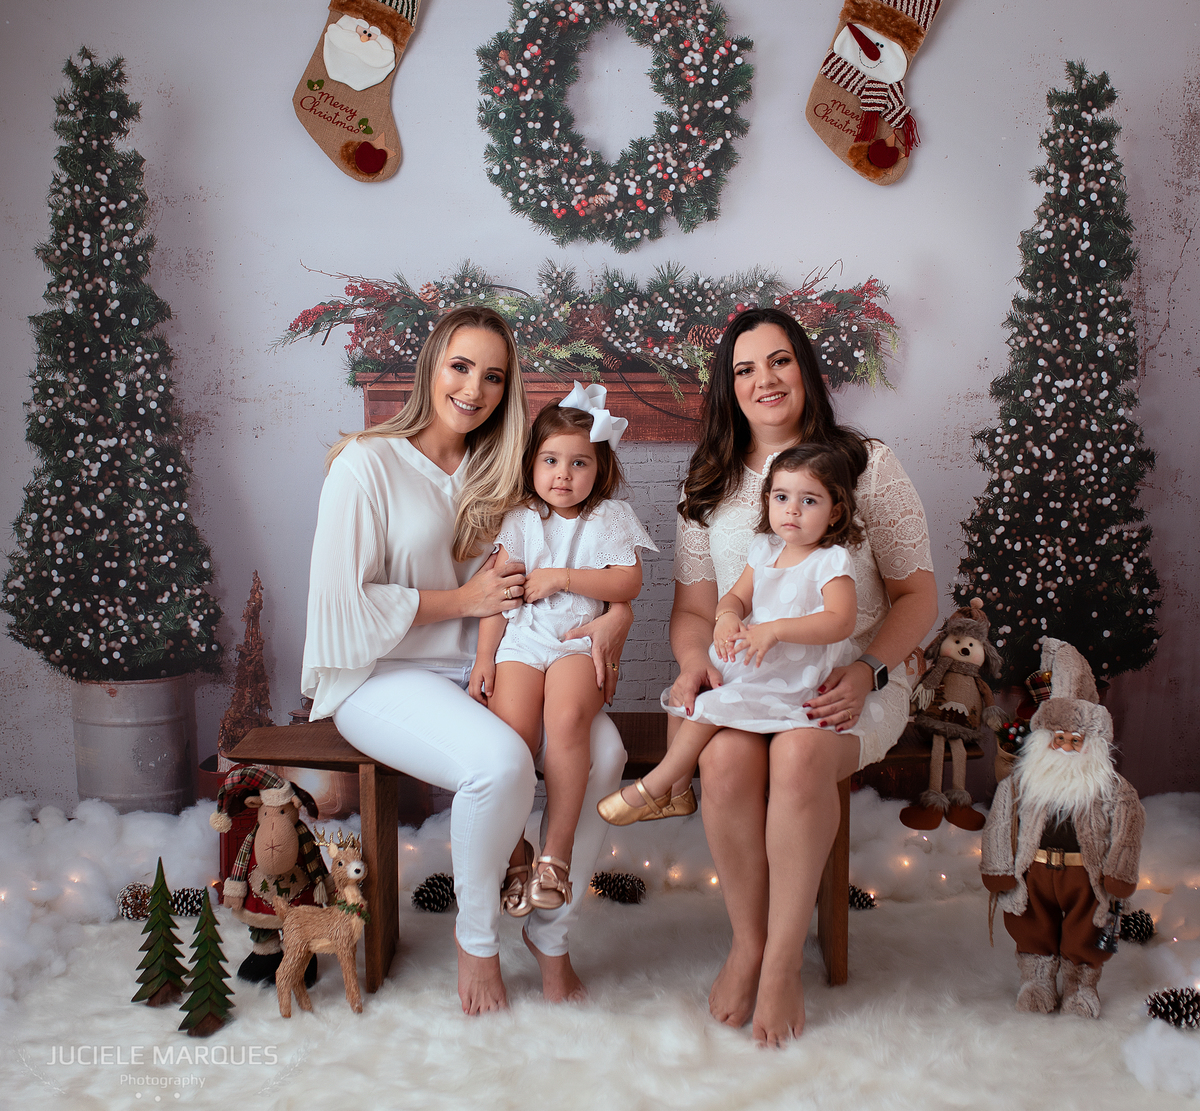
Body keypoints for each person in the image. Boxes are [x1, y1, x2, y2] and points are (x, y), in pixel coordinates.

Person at [300, 307, 631, 1014]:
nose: (474, 389)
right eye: (460, 366)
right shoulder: (366, 465)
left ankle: (551, 932)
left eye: (494, 376)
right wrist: (462, 600)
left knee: (605, 754)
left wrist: (617, 617)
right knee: (500, 763)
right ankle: (477, 943)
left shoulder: (505, 467)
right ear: (431, 367)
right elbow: (338, 606)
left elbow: (568, 562)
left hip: (497, 662)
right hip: (384, 673)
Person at [668, 307, 939, 1045]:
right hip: (749, 683)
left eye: (779, 360)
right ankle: (749, 942)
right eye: (745, 368)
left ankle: (784, 962)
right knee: (723, 761)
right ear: (728, 386)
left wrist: (870, 670)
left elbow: (917, 595)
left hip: (846, 678)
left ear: (805, 369)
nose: (765, 379)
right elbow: (692, 610)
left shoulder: (865, 464)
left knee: (797, 757)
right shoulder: (710, 481)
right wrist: (696, 664)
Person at [597, 442, 860, 823]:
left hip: (793, 674)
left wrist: (775, 630)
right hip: (755, 659)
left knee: (710, 706)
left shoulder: (830, 561)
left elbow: (840, 621)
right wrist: (726, 617)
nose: (792, 510)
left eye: (809, 501)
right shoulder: (766, 549)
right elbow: (736, 596)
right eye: (782, 497)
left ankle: (656, 785)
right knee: (685, 698)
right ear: (767, 501)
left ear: (835, 512)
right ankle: (679, 792)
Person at [471, 383, 656, 912]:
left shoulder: (610, 518)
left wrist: (562, 577)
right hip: (523, 641)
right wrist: (485, 657)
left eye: (579, 463)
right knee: (512, 733)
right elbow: (500, 596)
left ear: (600, 469)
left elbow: (627, 583)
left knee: (568, 718)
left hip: (579, 643)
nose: (563, 474)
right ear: (532, 462)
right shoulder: (521, 518)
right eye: (550, 460)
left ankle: (556, 853)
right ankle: (515, 854)